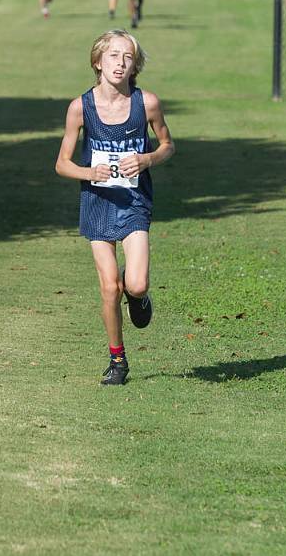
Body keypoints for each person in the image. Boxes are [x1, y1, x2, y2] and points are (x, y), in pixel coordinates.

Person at [54, 29, 175, 385]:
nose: (120, 63)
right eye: (113, 56)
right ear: (97, 61)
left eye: (127, 57)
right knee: (110, 287)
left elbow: (168, 144)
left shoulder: (146, 103)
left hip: (135, 202)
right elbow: (62, 163)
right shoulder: (81, 107)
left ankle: (139, 299)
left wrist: (147, 158)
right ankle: (117, 360)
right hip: (97, 202)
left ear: (134, 64)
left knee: (134, 284)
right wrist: (90, 171)